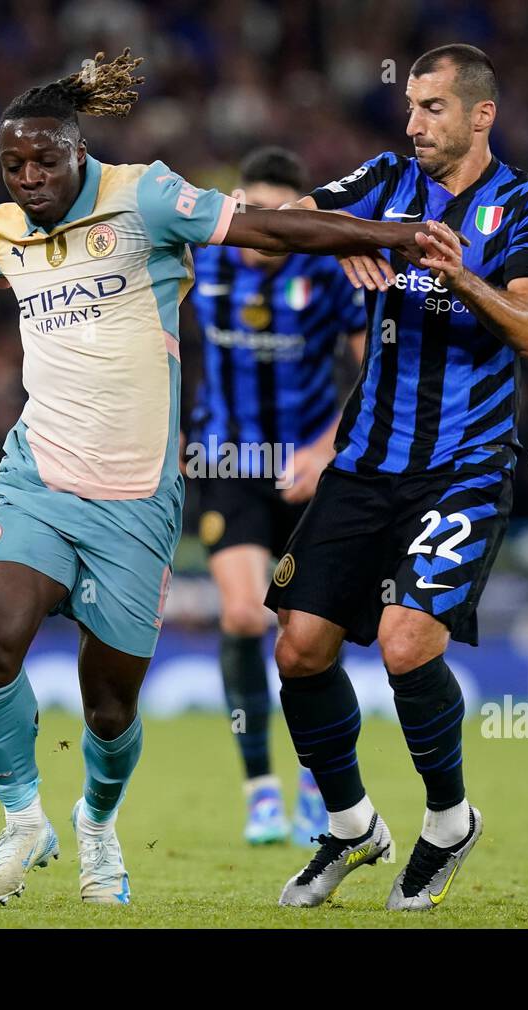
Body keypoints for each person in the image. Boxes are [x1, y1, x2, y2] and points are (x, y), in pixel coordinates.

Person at [0, 50, 433, 907]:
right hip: (40, 478)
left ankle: (96, 826)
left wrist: (390, 235)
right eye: (12, 165)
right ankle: (23, 821)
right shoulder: (9, 229)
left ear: (76, 152)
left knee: (110, 711)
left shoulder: (147, 197)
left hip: (137, 500)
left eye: (43, 162)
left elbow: (270, 230)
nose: (27, 179)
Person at [264, 44, 528, 910]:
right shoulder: (387, 179)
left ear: (481, 115)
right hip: (363, 464)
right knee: (300, 647)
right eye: (410, 105)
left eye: (432, 107)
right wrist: (351, 239)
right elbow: (286, 223)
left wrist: (456, 273)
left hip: (465, 467)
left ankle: (447, 822)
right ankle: (354, 827)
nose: (412, 124)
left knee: (405, 642)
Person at [187, 146, 365, 846]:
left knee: (310, 632)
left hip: (308, 469)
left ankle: (317, 786)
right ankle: (261, 790)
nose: (262, 230)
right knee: (240, 615)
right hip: (228, 459)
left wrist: (326, 449)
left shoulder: (328, 273)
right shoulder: (203, 261)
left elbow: (371, 369)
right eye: (250, 211)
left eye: (277, 217)